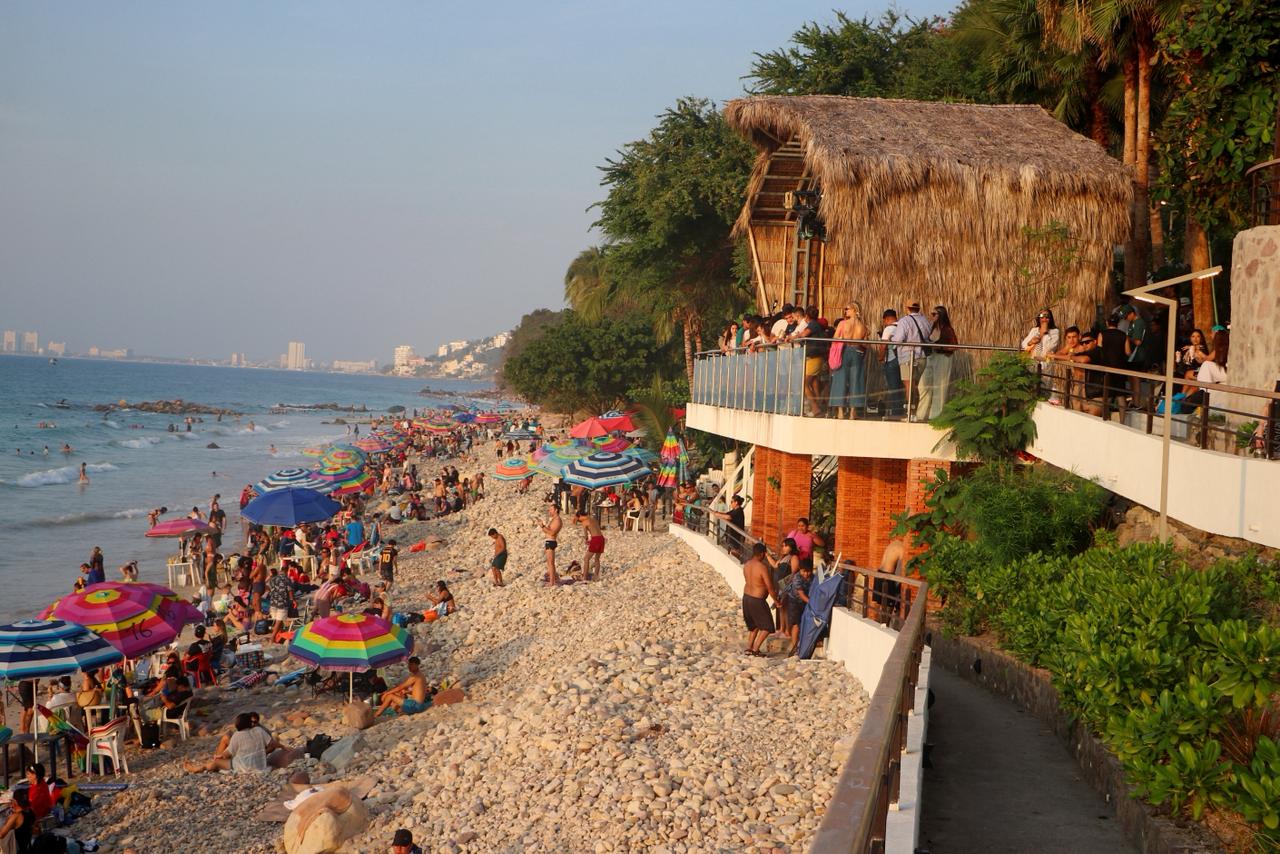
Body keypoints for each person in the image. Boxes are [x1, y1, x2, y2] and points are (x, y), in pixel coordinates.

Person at [183, 712, 292, 773]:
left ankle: (200, 768)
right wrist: (283, 747)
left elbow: (227, 754)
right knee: (224, 757)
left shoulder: (237, 735)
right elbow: (272, 743)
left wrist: (219, 757)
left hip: (243, 766)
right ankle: (205, 766)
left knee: (215, 763)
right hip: (260, 765)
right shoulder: (259, 730)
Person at [917, 305, 958, 420]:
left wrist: (939, 347)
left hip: (942, 358)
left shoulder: (947, 330)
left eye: (934, 314)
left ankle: (935, 416)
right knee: (923, 386)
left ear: (941, 315)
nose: (932, 316)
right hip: (932, 357)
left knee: (939, 387)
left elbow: (954, 346)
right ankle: (921, 414)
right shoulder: (933, 328)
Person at [892, 300, 933, 415]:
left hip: (907, 356)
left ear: (907, 308)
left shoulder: (904, 321)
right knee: (916, 385)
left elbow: (898, 339)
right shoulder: (925, 321)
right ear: (918, 308)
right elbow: (929, 337)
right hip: (922, 356)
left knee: (909, 385)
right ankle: (917, 411)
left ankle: (910, 412)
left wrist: (891, 339)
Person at [829, 301, 869, 418]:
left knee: (840, 379)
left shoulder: (842, 323)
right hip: (857, 352)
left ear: (854, 310)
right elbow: (866, 344)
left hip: (845, 351)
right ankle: (852, 412)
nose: (845, 311)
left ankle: (840, 411)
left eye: (847, 309)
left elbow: (835, 338)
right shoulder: (863, 326)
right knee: (856, 381)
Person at [741, 544, 778, 657]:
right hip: (757, 600)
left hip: (746, 598)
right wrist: (776, 601)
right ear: (762, 554)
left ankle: (749, 648)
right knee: (768, 626)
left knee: (754, 625)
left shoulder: (747, 564)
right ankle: (755, 649)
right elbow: (769, 587)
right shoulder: (762, 567)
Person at [878, 309, 905, 418]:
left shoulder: (888, 328)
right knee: (901, 387)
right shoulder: (902, 326)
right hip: (903, 359)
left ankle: (896, 412)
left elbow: (883, 346)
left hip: (891, 360)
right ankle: (902, 410)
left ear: (887, 319)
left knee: (894, 388)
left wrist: (880, 357)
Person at [785, 560, 814, 654]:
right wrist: (812, 603)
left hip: (806, 602)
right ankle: (795, 647)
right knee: (796, 624)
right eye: (804, 571)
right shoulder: (797, 578)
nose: (806, 574)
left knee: (805, 622)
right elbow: (801, 594)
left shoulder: (813, 577)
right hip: (794, 602)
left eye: (808, 571)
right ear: (800, 570)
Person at [0, 787, 34, 854]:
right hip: (26, 847)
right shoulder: (30, 811)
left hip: (16, 850)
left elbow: (1, 834)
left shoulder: (16, 816)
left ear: (15, 801)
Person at [265, 565, 294, 639]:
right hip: (282, 602)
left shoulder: (273, 578)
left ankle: (278, 635)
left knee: (277, 620)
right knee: (279, 620)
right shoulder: (286, 579)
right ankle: (272, 638)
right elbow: (290, 590)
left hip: (273, 601)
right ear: (287, 571)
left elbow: (268, 588)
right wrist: (292, 600)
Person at [575, 512, 605, 581]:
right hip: (601, 538)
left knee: (586, 558)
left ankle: (584, 577)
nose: (579, 521)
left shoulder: (584, 522)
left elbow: (586, 535)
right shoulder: (593, 519)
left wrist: (586, 540)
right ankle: (596, 576)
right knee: (597, 559)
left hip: (595, 539)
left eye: (579, 519)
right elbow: (596, 530)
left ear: (580, 516)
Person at [540, 503, 562, 586]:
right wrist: (542, 526)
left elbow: (552, 533)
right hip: (548, 541)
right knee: (549, 562)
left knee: (551, 562)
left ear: (556, 510)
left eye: (551, 510)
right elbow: (547, 531)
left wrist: (543, 526)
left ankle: (552, 582)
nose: (549, 511)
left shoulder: (557, 520)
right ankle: (553, 578)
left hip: (551, 541)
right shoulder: (553, 519)